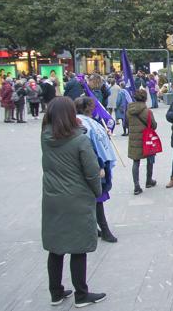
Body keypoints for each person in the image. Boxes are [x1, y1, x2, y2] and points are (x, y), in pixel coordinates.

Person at [41, 97, 107, 307]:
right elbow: (91, 172)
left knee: (56, 247)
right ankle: (81, 294)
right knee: (78, 247)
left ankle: (56, 292)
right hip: (76, 198)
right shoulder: (80, 140)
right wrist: (97, 191)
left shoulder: (45, 136)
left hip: (52, 198)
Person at [74, 97, 118, 243]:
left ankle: (95, 227)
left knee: (94, 198)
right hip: (92, 166)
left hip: (93, 164)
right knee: (97, 198)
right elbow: (87, 148)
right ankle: (104, 230)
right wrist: (98, 166)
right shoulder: (81, 124)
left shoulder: (87, 122)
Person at [127, 89, 157, 195]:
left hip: (134, 139)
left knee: (136, 161)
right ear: (145, 98)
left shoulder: (129, 109)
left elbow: (126, 123)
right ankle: (149, 180)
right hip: (146, 138)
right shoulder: (147, 111)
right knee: (150, 158)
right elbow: (154, 125)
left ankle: (136, 186)